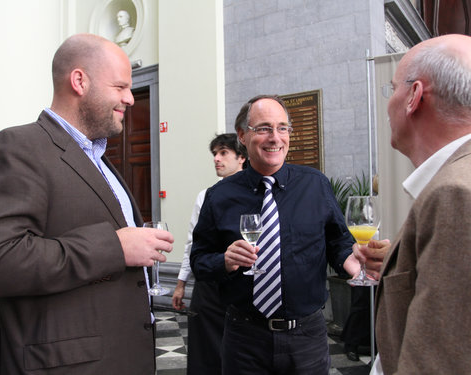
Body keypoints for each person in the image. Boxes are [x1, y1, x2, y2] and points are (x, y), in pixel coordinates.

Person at [0, 33, 174, 374]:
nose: (131, 99)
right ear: (79, 81)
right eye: (120, 87)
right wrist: (114, 247)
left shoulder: (101, 161)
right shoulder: (17, 147)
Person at [190, 95, 367, 375]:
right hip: (244, 338)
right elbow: (199, 261)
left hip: (306, 338)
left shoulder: (315, 184)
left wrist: (352, 262)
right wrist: (224, 260)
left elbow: (338, 241)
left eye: (282, 128)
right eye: (263, 128)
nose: (275, 137)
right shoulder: (219, 197)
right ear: (242, 136)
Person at [355, 34, 471, 374]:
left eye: (392, 90)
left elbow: (440, 361)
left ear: (414, 97)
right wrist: (400, 262)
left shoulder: (454, 195)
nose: (388, 103)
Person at [172, 133, 247, 374]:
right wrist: (182, 283)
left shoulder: (257, 192)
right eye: (214, 154)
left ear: (241, 157)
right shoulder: (205, 195)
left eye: (223, 153)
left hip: (243, 287)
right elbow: (192, 243)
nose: (216, 159)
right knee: (204, 353)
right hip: (208, 286)